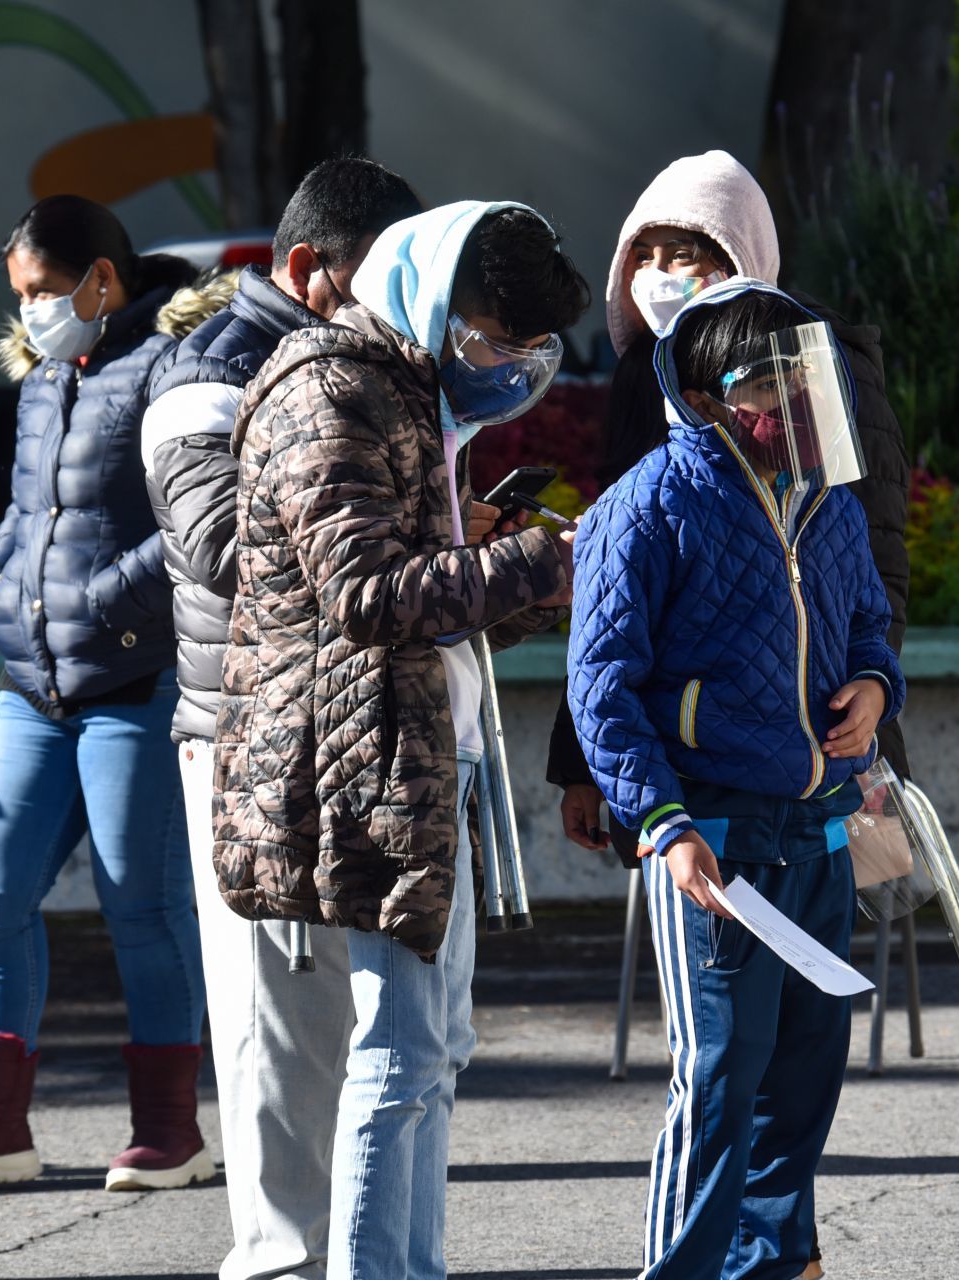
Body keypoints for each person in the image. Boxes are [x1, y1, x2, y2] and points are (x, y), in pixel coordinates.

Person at [215, 201, 589, 1280]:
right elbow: (368, 595)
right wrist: (536, 563)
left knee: (433, 1047)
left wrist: (532, 573)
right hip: (358, 757)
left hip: (423, 749)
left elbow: (437, 595)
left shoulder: (407, 387)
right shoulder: (332, 389)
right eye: (490, 339)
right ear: (428, 295)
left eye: (529, 350)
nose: (506, 365)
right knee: (397, 1046)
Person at [567, 280, 906, 1280]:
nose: (801, 399)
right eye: (776, 381)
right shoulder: (645, 503)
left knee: (803, 1073)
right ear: (710, 396)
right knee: (719, 1075)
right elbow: (601, 689)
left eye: (810, 374)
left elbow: (866, 629)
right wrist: (662, 823)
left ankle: (768, 1264)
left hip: (817, 829)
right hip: (711, 840)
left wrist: (874, 690)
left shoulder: (829, 501)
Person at [0, 195, 210, 1194]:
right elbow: (27, 513)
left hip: (135, 681)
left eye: (39, 292)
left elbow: (199, 521)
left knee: (139, 902)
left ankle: (169, 1130)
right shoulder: (39, 383)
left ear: (100, 280)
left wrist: (99, 599)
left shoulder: (175, 368)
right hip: (32, 683)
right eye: (19, 296)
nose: (26, 314)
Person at [141, 156, 422, 1280]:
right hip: (246, 734)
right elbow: (216, 545)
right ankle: (276, 1261)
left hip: (352, 720)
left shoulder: (371, 363)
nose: (401, 311)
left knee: (383, 1038)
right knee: (273, 1031)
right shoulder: (203, 368)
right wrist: (363, 526)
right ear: (308, 269)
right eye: (381, 282)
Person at [550, 151, 911, 873]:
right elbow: (615, 615)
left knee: (829, 963)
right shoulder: (642, 379)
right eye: (641, 256)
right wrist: (581, 762)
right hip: (687, 779)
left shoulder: (820, 366)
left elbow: (867, 565)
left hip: (826, 748)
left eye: (683, 254)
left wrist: (872, 692)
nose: (658, 274)